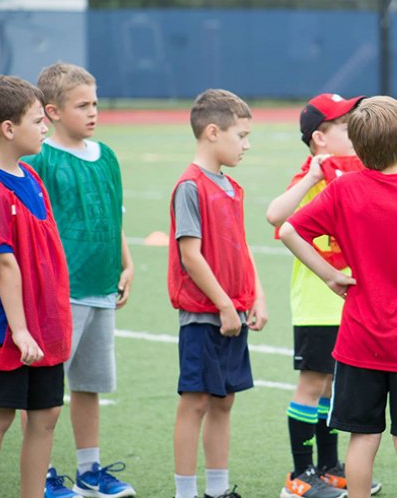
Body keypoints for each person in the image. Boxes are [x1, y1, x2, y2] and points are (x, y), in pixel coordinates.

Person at [279, 96, 397, 498]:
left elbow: (289, 230)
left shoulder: (344, 190)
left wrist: (329, 275)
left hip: (359, 339)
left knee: (362, 437)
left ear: (356, 147)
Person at [23, 62, 135, 498]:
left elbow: (114, 216)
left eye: (95, 103)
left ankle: (90, 471)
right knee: (47, 391)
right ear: (51, 111)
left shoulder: (106, 155)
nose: (93, 113)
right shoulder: (41, 159)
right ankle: (44, 474)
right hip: (59, 294)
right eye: (82, 105)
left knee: (89, 385)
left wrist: (126, 265)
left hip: (102, 288)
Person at [0, 75, 73, 498]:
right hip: (6, 327)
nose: (45, 126)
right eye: (36, 119)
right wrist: (21, 329)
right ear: (8, 129)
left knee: (45, 414)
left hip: (42, 323)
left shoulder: (30, 175)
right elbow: (5, 264)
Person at [266, 93, 376, 498]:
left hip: (347, 301)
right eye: (346, 127)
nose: (355, 133)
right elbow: (276, 217)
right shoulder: (311, 176)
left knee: (332, 384)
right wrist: (313, 177)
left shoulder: (353, 173)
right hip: (317, 303)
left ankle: (329, 467)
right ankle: (300, 475)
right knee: (312, 385)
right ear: (320, 138)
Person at [169, 89, 269, 498]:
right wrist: (225, 305)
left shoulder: (231, 186)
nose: (246, 145)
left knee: (224, 401)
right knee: (195, 402)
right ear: (213, 132)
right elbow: (190, 255)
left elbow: (241, 248)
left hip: (235, 315)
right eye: (241, 135)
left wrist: (256, 297)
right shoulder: (190, 187)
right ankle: (185, 492)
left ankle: (217, 489)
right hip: (204, 317)